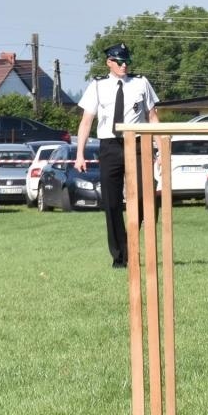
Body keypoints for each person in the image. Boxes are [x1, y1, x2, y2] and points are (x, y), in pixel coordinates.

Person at [75, 42, 160, 268]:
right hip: (110, 145)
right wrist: (80, 154)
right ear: (109, 62)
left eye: (127, 62)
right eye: (119, 62)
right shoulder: (98, 86)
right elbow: (86, 122)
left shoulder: (141, 83)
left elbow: (152, 117)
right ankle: (120, 255)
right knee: (111, 202)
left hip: (139, 142)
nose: (124, 66)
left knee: (146, 196)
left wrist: (160, 148)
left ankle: (135, 234)